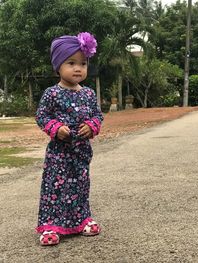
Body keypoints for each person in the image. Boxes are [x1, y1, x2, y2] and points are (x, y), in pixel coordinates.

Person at [35, 32, 103, 246]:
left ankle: (81, 219)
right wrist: (55, 128)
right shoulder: (52, 94)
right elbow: (42, 116)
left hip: (81, 152)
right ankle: (49, 225)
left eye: (83, 63)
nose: (78, 68)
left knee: (81, 186)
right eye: (71, 63)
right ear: (58, 66)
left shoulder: (89, 94)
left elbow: (97, 116)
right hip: (58, 153)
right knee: (54, 188)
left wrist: (92, 126)